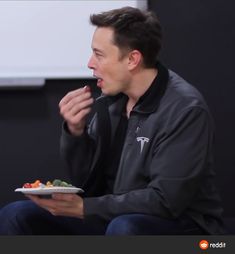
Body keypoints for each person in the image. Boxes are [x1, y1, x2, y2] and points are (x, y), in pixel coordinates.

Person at [0, 6, 225, 235]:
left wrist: (85, 207)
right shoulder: (110, 103)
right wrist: (75, 132)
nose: (90, 63)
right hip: (110, 217)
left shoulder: (185, 109)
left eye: (99, 55)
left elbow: (165, 200)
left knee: (125, 228)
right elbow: (87, 182)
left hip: (180, 226)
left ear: (132, 59)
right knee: (17, 214)